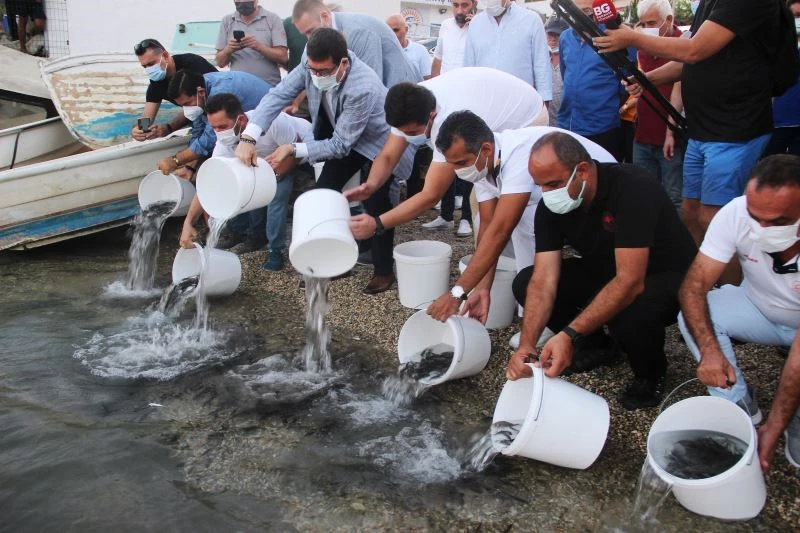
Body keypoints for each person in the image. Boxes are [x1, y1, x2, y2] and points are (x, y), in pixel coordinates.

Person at [506, 132, 697, 410]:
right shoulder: (552, 207)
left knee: (629, 310)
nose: (547, 194)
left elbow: (630, 281)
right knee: (525, 281)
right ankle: (597, 346)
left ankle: (650, 374)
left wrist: (568, 334)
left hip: (669, 274)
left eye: (554, 184)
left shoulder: (633, 188)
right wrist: (527, 345)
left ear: (582, 170)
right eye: (540, 186)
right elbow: (544, 278)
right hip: (609, 264)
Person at [234, 28, 415, 294]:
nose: (316, 76)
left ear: (343, 62)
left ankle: (383, 271)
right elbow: (279, 94)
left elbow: (341, 145)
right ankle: (334, 260)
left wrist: (292, 149)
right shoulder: (310, 61)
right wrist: (249, 136)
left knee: (377, 203)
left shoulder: (362, 86)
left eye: (323, 72)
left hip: (377, 143)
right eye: (313, 70)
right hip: (343, 136)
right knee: (324, 192)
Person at [593, 0, 779, 245]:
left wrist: (632, 38)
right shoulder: (708, 5)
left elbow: (694, 50)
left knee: (714, 218)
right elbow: (689, 62)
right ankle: (696, 273)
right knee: (691, 211)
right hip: (700, 131)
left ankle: (728, 282)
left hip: (734, 130)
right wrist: (646, 80)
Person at [425, 113, 615, 328]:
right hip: (561, 197)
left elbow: (501, 230)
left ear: (485, 150)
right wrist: (482, 287)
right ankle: (535, 306)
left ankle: (538, 314)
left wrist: (457, 293)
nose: (458, 171)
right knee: (482, 224)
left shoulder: (517, 157)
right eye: (453, 164)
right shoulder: (482, 162)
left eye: (461, 163)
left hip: (597, 195)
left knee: (523, 224)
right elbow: (488, 227)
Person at [677, 154, 800, 471]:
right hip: (761, 308)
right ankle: (738, 405)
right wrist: (710, 353)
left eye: (779, 222)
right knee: (696, 318)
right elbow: (693, 287)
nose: (762, 229)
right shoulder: (735, 213)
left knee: (795, 451)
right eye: (756, 217)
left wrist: (775, 426)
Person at [346, 67, 545, 242]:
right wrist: (370, 185)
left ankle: (516, 255)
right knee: (484, 208)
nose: (408, 138)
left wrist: (378, 223)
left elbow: (431, 195)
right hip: (498, 104)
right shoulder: (409, 104)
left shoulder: (446, 122)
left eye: (413, 133)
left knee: (505, 205)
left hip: (527, 118)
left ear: (431, 117)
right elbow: (388, 155)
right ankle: (490, 262)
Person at [179, 93, 312, 271]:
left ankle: (276, 250)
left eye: (222, 126)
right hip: (259, 164)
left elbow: (294, 154)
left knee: (276, 198)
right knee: (242, 189)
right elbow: (209, 184)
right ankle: (253, 236)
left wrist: (268, 180)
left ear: (241, 120)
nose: (218, 132)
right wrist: (188, 222)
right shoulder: (224, 142)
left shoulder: (273, 121)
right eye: (214, 128)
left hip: (296, 155)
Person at [557, 0, 635, 161]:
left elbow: (627, 83)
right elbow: (566, 75)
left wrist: (606, 104)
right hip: (569, 124)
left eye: (586, 11)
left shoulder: (616, 38)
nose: (579, 16)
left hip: (602, 127)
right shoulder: (565, 38)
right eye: (575, 11)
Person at [156, 69, 270, 180]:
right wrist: (189, 166)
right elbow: (198, 129)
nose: (186, 109)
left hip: (268, 124)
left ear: (200, 92)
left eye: (187, 103)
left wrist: (175, 160)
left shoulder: (221, 93)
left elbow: (210, 138)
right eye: (182, 106)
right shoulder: (201, 89)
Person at [630, 0, 685, 211]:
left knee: (674, 198)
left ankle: (676, 243)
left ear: (669, 19)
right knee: (643, 194)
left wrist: (671, 132)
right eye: (643, 24)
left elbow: (679, 90)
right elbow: (641, 82)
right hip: (643, 135)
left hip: (672, 137)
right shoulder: (642, 47)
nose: (646, 29)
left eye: (651, 22)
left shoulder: (684, 44)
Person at [290, 0, 422, 87]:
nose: (310, 38)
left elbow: (369, 87)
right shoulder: (320, 38)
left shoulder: (359, 32)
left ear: (325, 18)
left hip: (400, 90)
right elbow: (298, 76)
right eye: (305, 34)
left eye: (311, 31)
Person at [464, 0, 552, 103]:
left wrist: (544, 101)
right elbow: (469, 67)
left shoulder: (531, 20)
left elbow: (541, 65)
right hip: (484, 104)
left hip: (521, 104)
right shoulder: (476, 24)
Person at [132, 39, 216, 143]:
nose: (149, 69)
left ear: (166, 56)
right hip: (199, 119)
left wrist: (170, 127)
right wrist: (138, 130)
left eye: (151, 64)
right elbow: (146, 117)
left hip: (220, 112)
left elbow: (215, 98)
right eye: (144, 66)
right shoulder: (156, 83)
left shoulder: (192, 64)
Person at [215, 0, 288, 87]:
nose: (243, 4)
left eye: (247, 1)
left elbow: (283, 57)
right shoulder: (227, 21)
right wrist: (228, 50)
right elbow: (220, 63)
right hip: (238, 85)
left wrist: (258, 46)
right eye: (238, 2)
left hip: (268, 85)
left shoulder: (272, 19)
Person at [431, 0, 475, 77]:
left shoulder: (480, 27)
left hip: (469, 85)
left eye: (464, 5)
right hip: (445, 85)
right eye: (455, 5)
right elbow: (438, 57)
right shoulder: (446, 25)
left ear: (473, 4)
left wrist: (478, 25)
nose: (459, 11)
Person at [386, 14, 432, 81]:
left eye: (396, 30)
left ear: (406, 29)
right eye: (389, 31)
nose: (392, 34)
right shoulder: (383, 52)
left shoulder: (420, 51)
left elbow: (428, 81)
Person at [544, 16, 568, 127]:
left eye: (557, 35)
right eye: (550, 34)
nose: (553, 39)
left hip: (565, 118)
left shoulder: (569, 58)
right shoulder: (541, 59)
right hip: (547, 118)